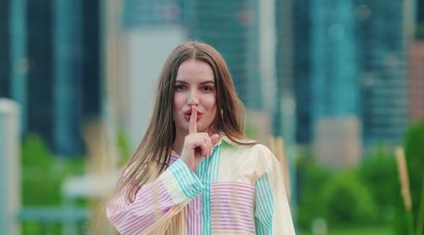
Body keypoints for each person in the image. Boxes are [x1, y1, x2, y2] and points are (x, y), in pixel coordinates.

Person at [106, 41, 295, 234]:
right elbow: (125, 226)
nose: (193, 100)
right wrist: (182, 170)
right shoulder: (142, 171)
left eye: (206, 88)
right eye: (181, 87)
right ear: (167, 96)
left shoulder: (256, 160)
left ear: (220, 97)